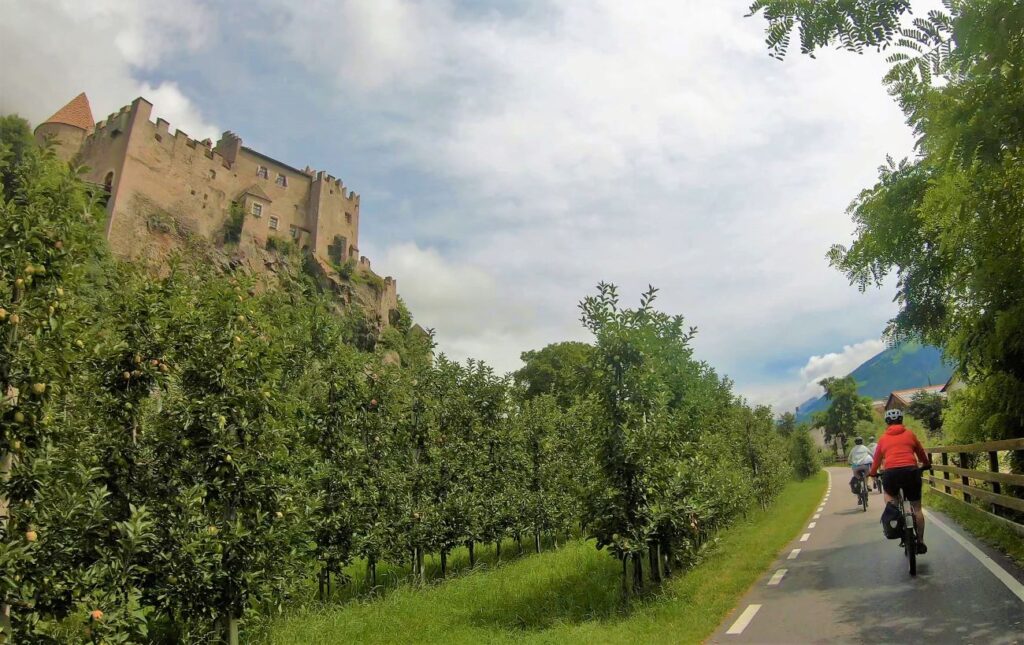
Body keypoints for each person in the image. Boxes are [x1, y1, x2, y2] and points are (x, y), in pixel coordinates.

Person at [869, 409, 932, 554]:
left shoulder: (883, 438)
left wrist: (873, 473)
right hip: (911, 472)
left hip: (891, 474)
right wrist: (926, 464)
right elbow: (920, 452)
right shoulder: (910, 434)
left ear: (887, 422)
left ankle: (894, 510)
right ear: (901, 420)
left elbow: (877, 459)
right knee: (916, 509)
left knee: (890, 497)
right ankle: (921, 541)